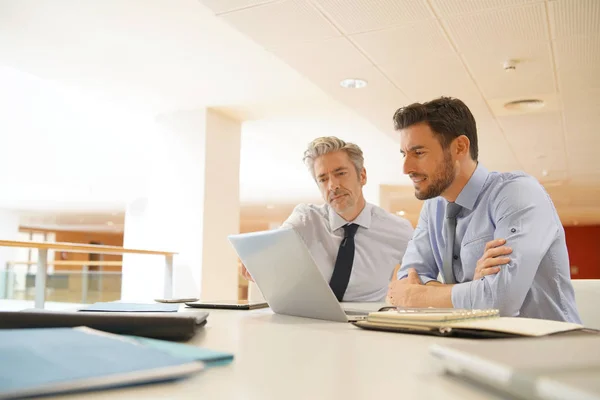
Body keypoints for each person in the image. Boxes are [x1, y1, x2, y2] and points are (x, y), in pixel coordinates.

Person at [387, 97, 581, 323]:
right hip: (474, 343)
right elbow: (408, 279)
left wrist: (421, 296)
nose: (405, 168)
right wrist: (473, 290)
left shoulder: (517, 193)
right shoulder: (433, 207)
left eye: (418, 153)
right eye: (404, 154)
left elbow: (500, 299)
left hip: (548, 349)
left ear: (459, 147)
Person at [242, 136, 414, 302]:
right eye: (323, 179)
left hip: (368, 324)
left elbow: (423, 275)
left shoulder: (398, 230)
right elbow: (275, 244)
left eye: (340, 173)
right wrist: (258, 260)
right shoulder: (305, 219)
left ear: (362, 176)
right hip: (311, 322)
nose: (332, 186)